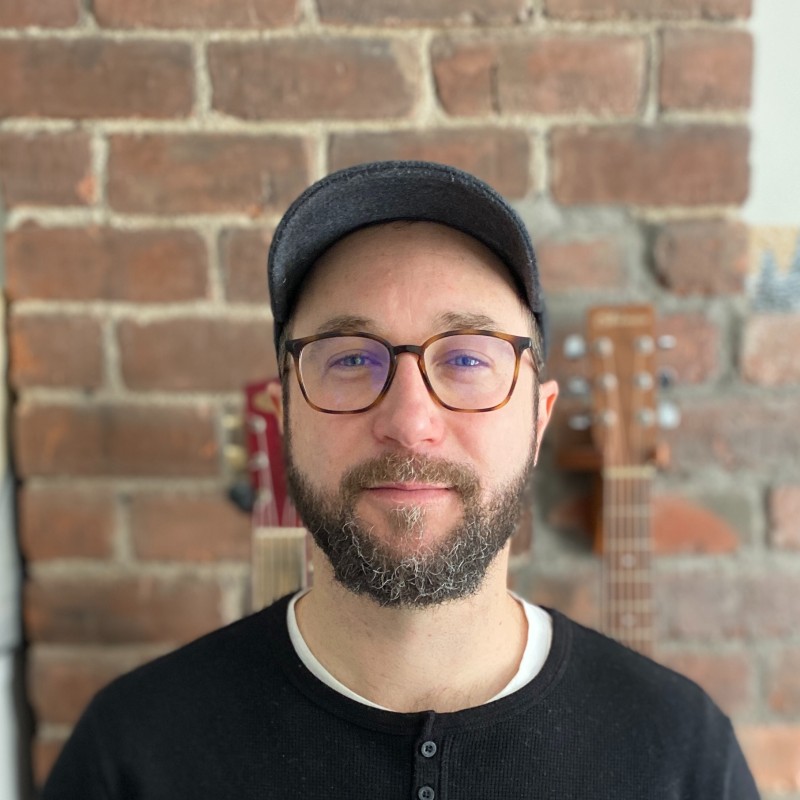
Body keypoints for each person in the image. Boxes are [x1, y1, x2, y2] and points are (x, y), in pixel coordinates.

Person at [43, 161, 759, 799]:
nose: (410, 420)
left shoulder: (681, 753)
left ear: (538, 421)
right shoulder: (136, 751)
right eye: (351, 359)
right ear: (285, 408)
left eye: (469, 360)